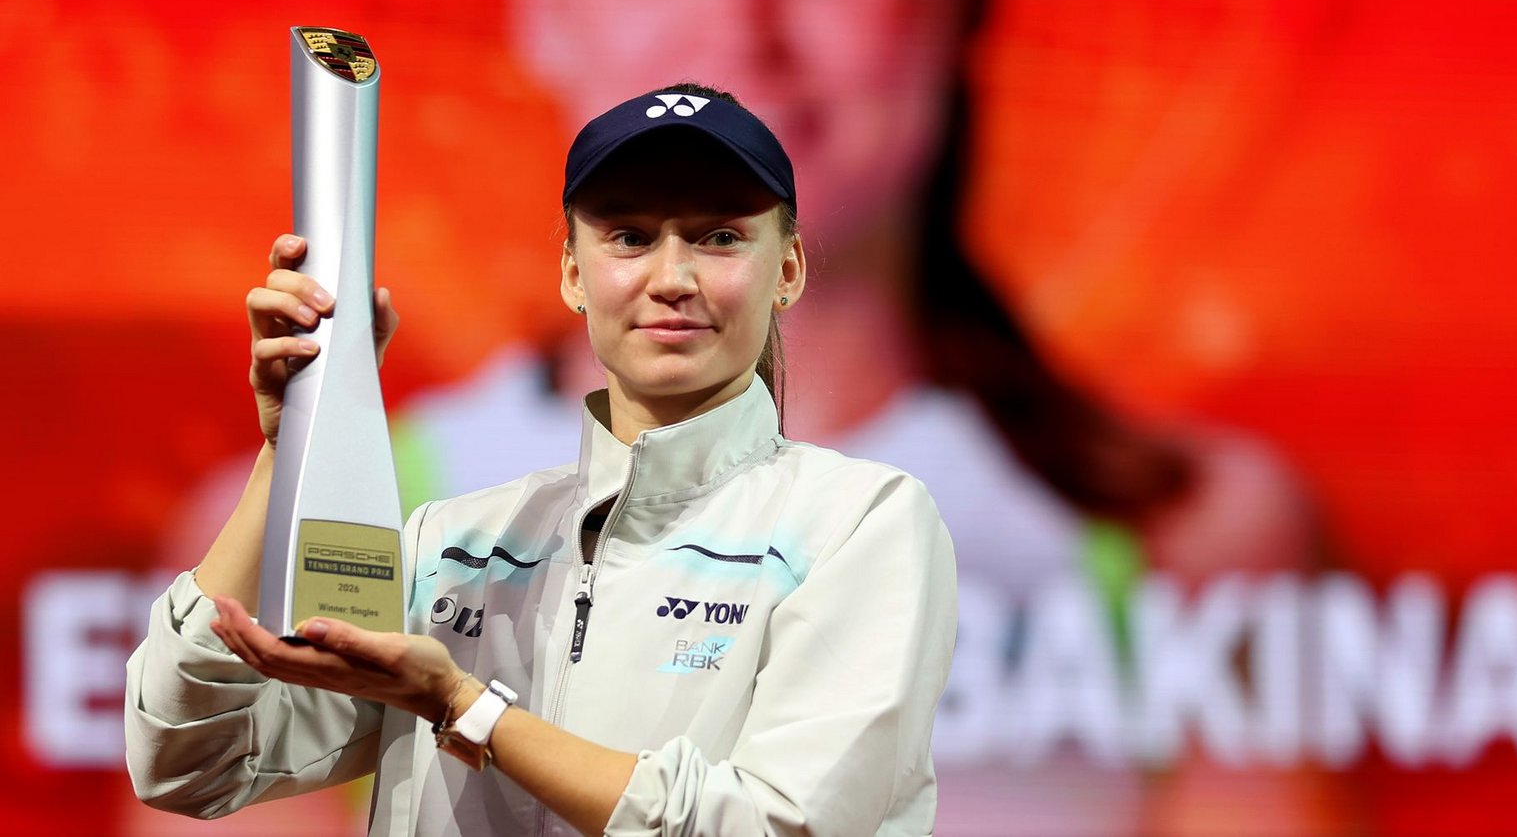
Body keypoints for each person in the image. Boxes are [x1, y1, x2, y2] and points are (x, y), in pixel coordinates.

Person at [125, 85, 959, 837]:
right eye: (629, 236)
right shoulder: (449, 543)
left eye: (719, 236)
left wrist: (462, 706)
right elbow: (188, 764)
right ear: (572, 273)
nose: (672, 277)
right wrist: (292, 442)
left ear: (788, 269)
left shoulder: (860, 523)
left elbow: (775, 825)